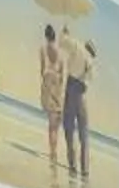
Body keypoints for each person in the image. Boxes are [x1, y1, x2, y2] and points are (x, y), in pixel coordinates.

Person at [64, 33, 97, 178]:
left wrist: (65, 32)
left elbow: (64, 41)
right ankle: (85, 170)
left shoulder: (77, 47)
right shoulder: (91, 62)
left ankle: (72, 166)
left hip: (70, 89)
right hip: (81, 95)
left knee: (69, 130)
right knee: (84, 134)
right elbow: (88, 82)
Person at [36, 25, 66, 180]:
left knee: (51, 124)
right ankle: (54, 153)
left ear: (46, 36)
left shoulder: (43, 49)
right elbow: (62, 75)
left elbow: (42, 70)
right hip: (58, 87)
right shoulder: (61, 53)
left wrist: (47, 77)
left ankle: (52, 153)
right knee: (56, 124)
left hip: (48, 82)